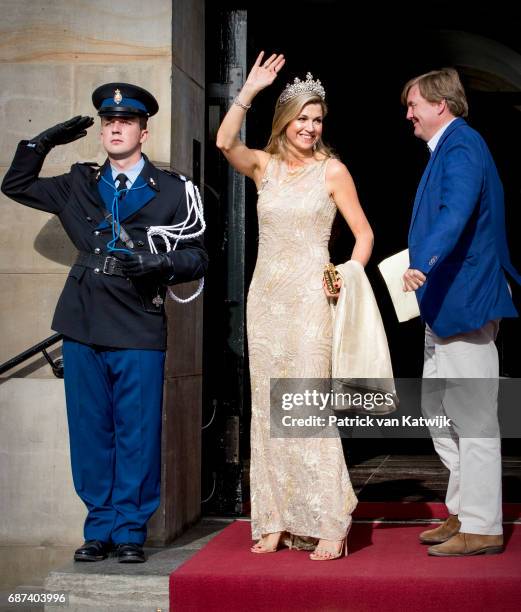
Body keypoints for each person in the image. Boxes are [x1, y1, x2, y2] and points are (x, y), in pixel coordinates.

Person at [1, 83, 208, 563]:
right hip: (83, 321)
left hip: (137, 321)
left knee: (136, 432)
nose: (116, 128)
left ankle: (131, 530)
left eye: (126, 122)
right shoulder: (78, 183)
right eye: (108, 122)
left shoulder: (174, 190)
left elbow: (198, 256)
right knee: (91, 430)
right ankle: (99, 528)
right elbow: (15, 186)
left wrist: (157, 265)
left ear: (143, 130)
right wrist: (43, 142)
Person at [216, 52, 373, 560]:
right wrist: (249, 91)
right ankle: (277, 517)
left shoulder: (333, 170)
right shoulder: (264, 166)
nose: (310, 127)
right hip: (266, 301)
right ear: (285, 121)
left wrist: (344, 274)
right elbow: (224, 142)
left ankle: (329, 520)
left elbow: (364, 235)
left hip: (310, 299)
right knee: (268, 410)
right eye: (302, 118)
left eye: (317, 119)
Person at [402, 68, 521, 556]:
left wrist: (422, 262)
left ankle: (484, 524)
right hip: (443, 305)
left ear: (439, 105)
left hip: (465, 299)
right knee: (437, 411)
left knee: (473, 417)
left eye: (413, 105)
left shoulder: (463, 145)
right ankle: (462, 508)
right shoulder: (446, 148)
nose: (408, 114)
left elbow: (456, 212)